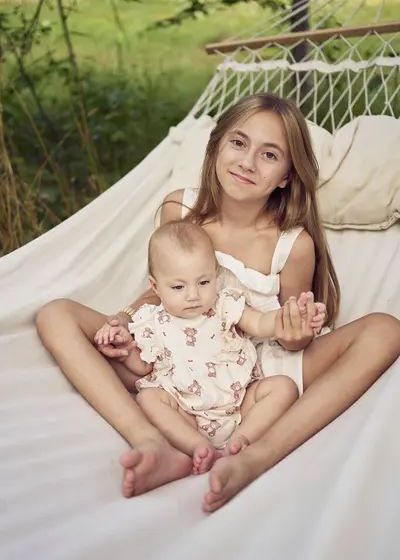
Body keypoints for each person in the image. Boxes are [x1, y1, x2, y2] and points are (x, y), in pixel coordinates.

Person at [35, 93, 400, 509]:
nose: (247, 162)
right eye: (238, 143)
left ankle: (256, 456)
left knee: (385, 330)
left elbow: (291, 334)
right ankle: (151, 440)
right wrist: (122, 321)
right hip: (177, 355)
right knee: (56, 314)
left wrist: (296, 332)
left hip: (257, 372)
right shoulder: (180, 209)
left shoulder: (292, 245)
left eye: (269, 154)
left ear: (285, 176)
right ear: (216, 147)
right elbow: (161, 290)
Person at [94, 220, 326, 475]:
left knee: (283, 387)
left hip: (240, 405)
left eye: (203, 282)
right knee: (149, 398)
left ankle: (242, 440)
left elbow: (260, 323)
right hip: (186, 413)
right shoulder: (150, 321)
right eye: (179, 287)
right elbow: (142, 366)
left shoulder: (225, 304)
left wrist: (292, 317)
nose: (193, 294)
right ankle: (196, 446)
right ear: (155, 286)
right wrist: (125, 347)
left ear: (215, 275)